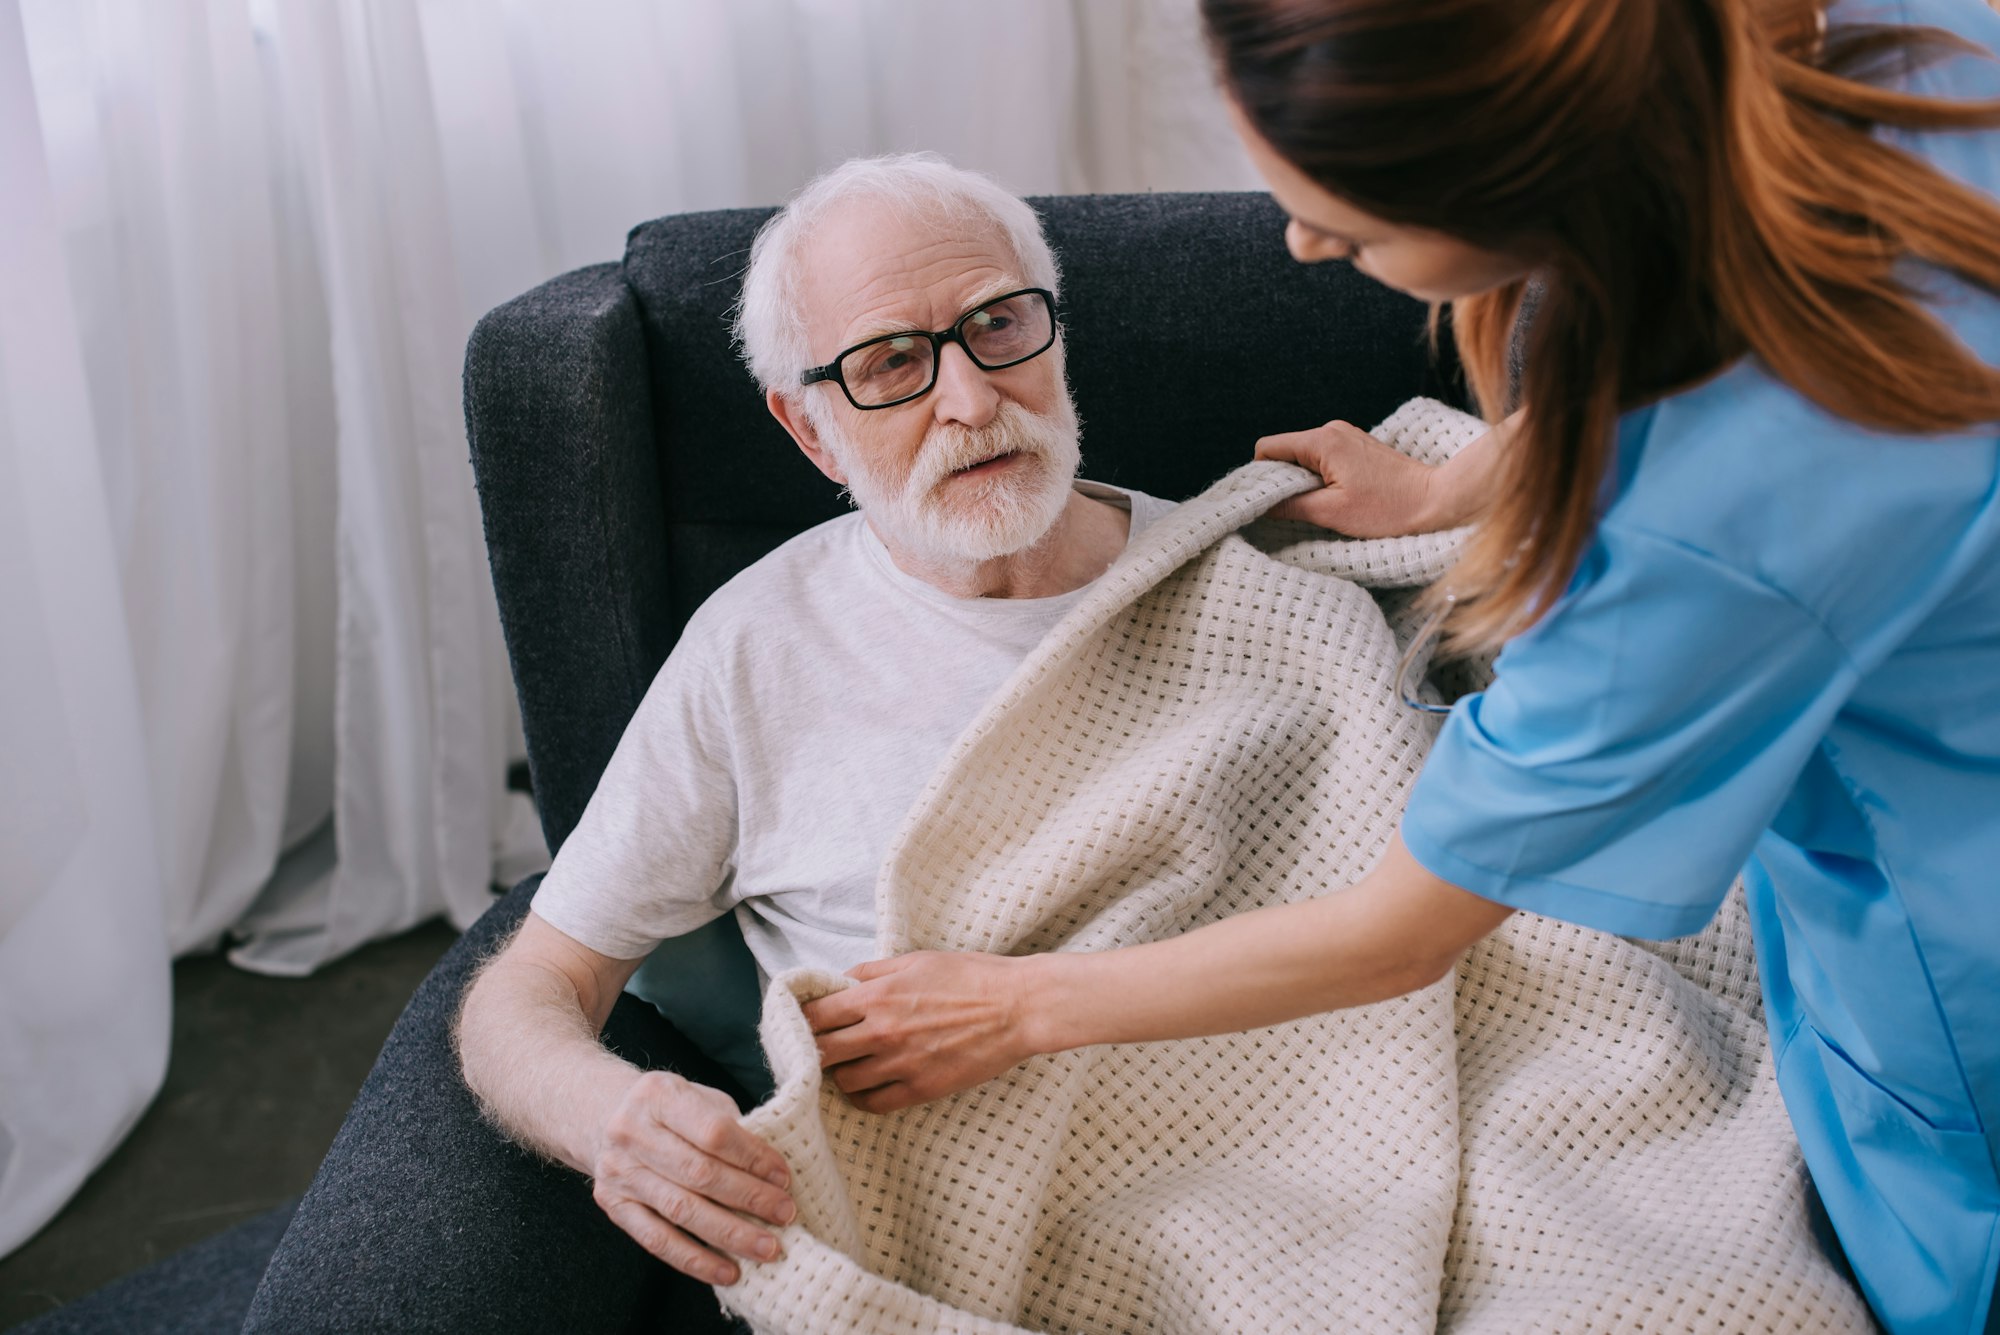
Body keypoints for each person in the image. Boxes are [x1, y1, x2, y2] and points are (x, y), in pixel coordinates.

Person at [802, 2, 2000, 1331]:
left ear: (1517, 170)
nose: (1306, 242)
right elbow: (1735, 303)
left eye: (1351, 224)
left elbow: (1399, 932)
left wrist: (1015, 1006)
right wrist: (1458, 480)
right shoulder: (1881, 47)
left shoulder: (1685, 550)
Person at [452, 152, 1175, 1300]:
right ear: (811, 433)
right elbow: (530, 985)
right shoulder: (754, 651)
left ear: (1054, 334)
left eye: (998, 325)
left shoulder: (1242, 580)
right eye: (890, 363)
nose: (972, 399)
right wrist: (610, 1118)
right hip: (958, 1254)